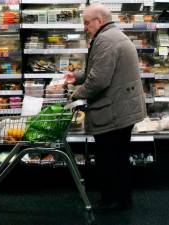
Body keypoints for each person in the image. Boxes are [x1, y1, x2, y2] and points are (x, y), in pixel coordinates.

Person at [65, 3, 147, 213]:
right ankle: (121, 200)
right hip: (121, 108)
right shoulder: (111, 36)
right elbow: (97, 69)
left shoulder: (106, 40)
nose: (84, 27)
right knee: (117, 158)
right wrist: (77, 77)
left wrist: (76, 93)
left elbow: (99, 80)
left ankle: (114, 203)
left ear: (99, 21)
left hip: (114, 112)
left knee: (110, 160)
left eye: (86, 22)